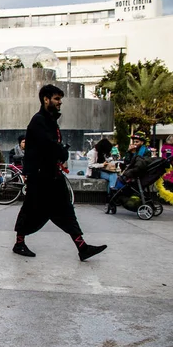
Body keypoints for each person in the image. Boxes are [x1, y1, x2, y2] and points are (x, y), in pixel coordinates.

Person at [13, 84, 107, 261]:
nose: (60, 102)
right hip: (40, 176)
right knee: (31, 209)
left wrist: (60, 152)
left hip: (52, 175)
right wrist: (62, 152)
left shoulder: (49, 120)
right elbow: (48, 145)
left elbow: (52, 145)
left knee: (65, 210)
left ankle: (82, 246)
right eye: (56, 99)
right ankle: (19, 243)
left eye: (60, 99)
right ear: (45, 99)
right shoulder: (39, 120)